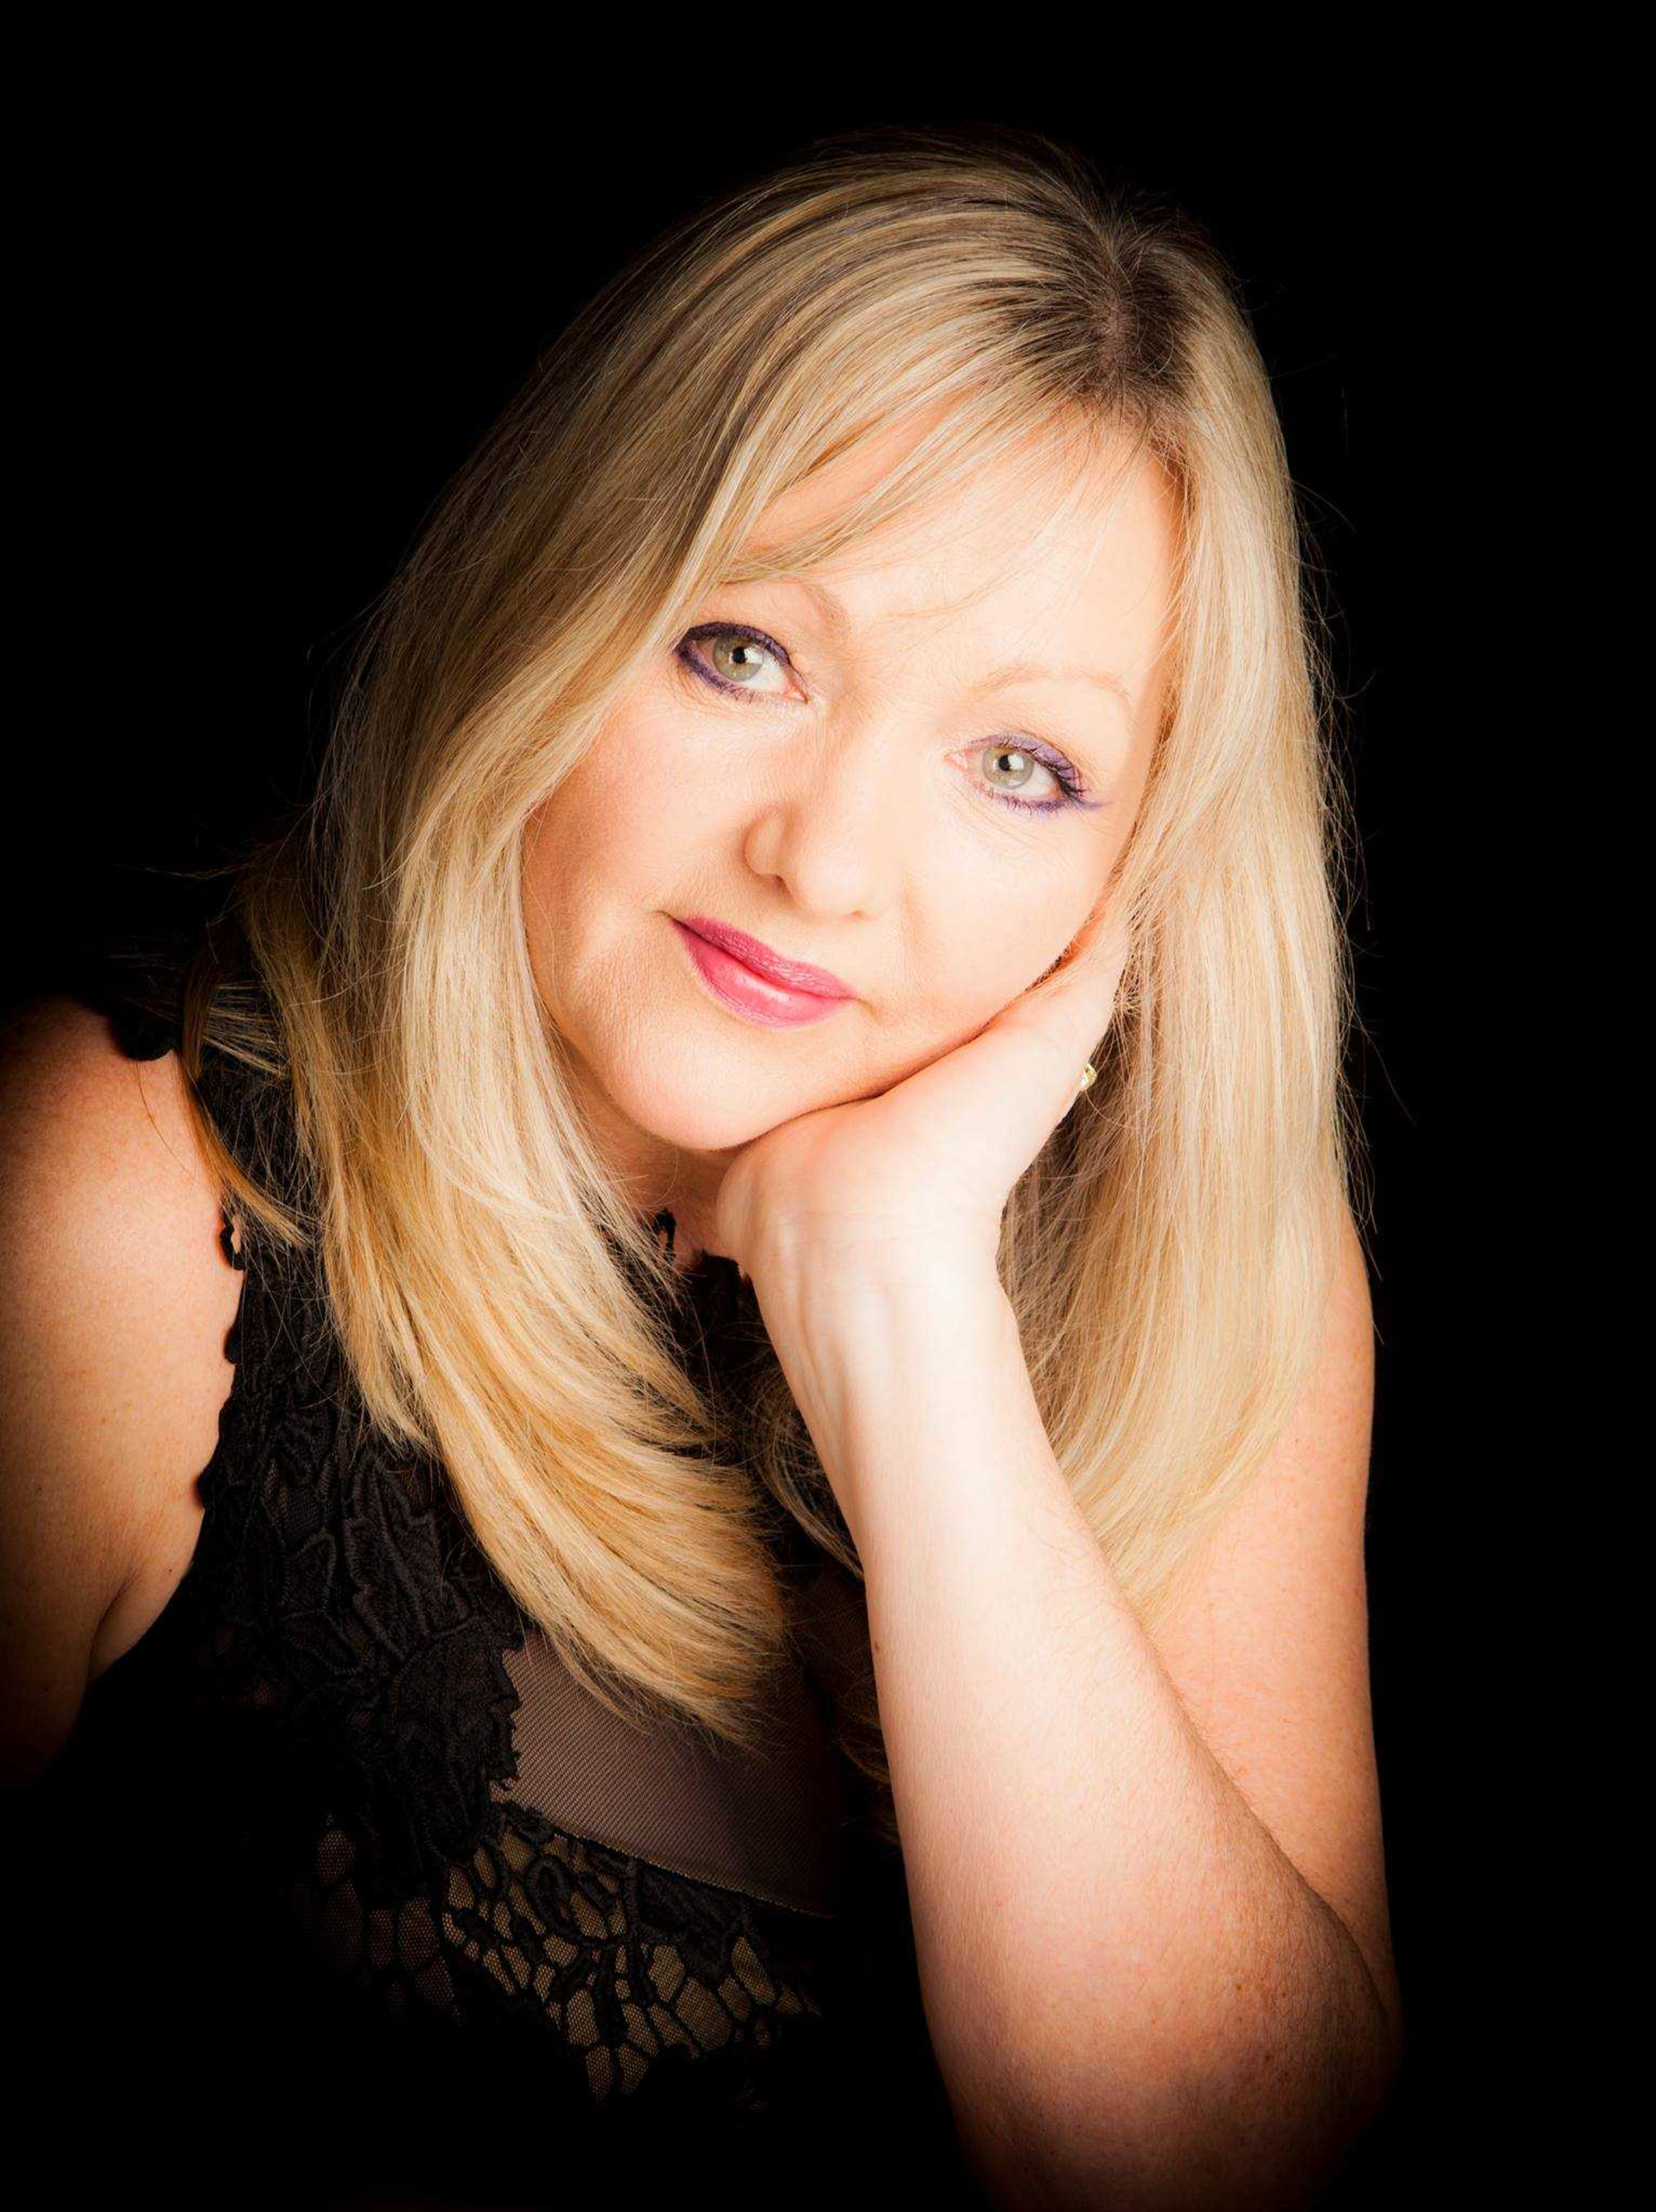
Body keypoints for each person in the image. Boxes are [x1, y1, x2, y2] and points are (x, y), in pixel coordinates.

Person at [0, 125, 1399, 2210]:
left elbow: (1211, 2170)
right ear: (548, 593)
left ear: (1145, 880)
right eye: (745, 650)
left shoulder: (1222, 1294)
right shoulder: (111, 1204)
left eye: (1022, 766)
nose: (824, 860)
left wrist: (906, 1301)